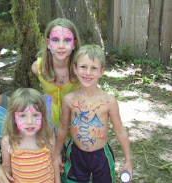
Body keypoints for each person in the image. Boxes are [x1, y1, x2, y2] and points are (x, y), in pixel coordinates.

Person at [55, 45, 133, 182]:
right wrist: (56, 154)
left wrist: (128, 161)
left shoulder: (109, 101)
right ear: (75, 68)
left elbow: (120, 131)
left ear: (101, 71)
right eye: (83, 67)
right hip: (75, 154)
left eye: (94, 68)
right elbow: (62, 127)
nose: (88, 72)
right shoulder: (69, 100)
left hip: (101, 156)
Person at [1, 88, 60, 183]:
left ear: (43, 116)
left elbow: (54, 161)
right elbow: (7, 169)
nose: (30, 122)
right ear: (13, 118)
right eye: (23, 116)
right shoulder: (8, 142)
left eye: (35, 115)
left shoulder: (48, 137)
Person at [31, 18, 81, 130]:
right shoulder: (38, 68)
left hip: (76, 129)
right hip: (48, 129)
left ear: (74, 44)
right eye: (56, 40)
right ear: (48, 43)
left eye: (67, 40)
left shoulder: (82, 71)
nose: (61, 45)